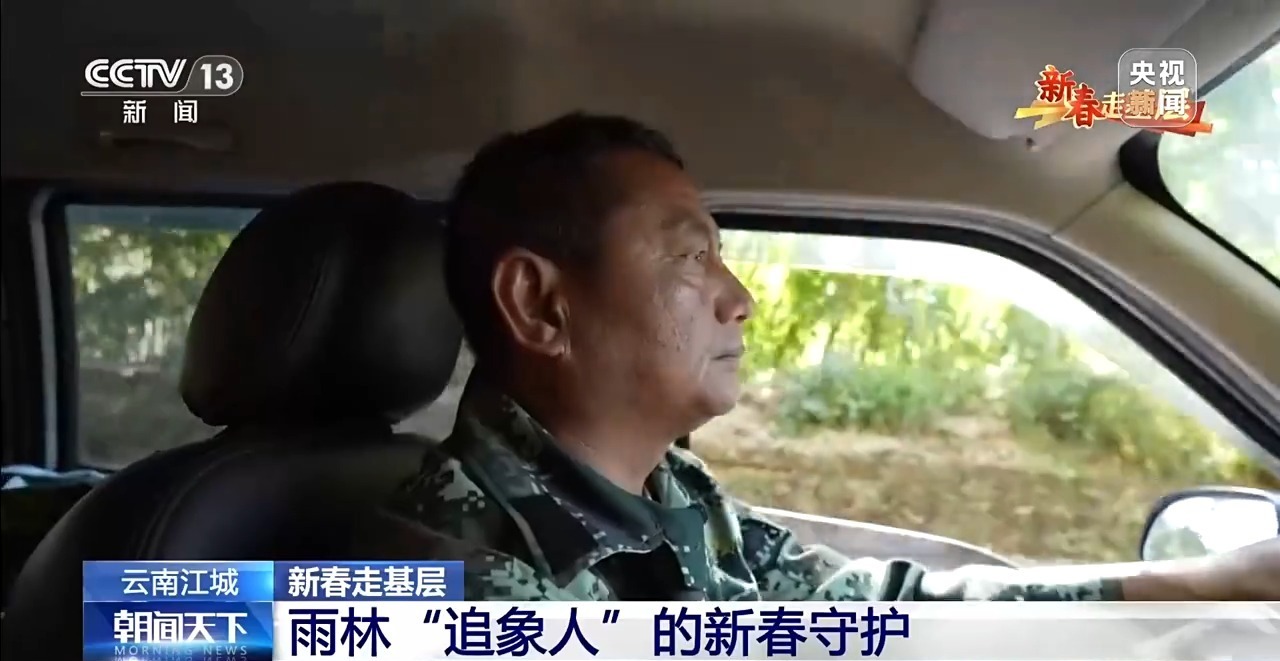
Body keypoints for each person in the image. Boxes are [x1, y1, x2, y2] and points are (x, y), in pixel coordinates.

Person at [381, 112, 1280, 600]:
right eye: (691, 257)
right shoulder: (447, 581)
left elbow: (874, 611)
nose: (741, 296)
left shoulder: (676, 497)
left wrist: (1209, 581)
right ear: (539, 303)